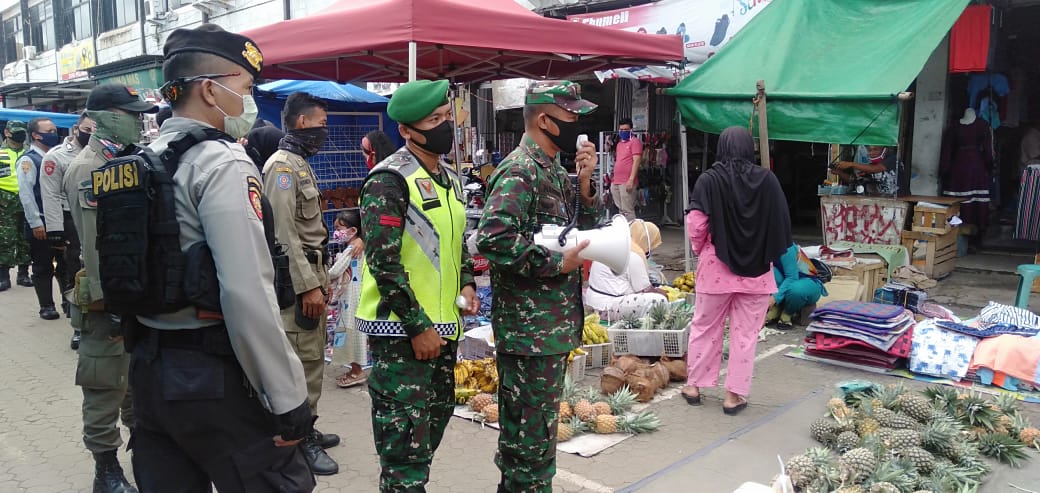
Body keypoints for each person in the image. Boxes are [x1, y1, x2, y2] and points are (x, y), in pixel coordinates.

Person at [129, 24, 315, 492]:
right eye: (246, 87)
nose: (248, 101)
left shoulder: (143, 159)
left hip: (148, 370)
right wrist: (289, 399)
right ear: (212, 90)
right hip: (213, 375)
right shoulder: (222, 163)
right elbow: (246, 292)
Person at [476, 80, 602, 493]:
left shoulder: (551, 168)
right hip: (528, 333)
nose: (579, 124)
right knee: (527, 446)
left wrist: (584, 184)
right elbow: (493, 238)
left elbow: (577, 230)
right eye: (572, 115)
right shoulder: (520, 170)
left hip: (547, 330)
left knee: (536, 438)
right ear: (545, 119)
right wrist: (553, 263)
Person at [356, 78, 478, 492]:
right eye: (435, 119)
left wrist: (468, 284)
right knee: (403, 453)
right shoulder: (388, 180)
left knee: (426, 441)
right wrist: (416, 325)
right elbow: (383, 263)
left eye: (447, 117)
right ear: (407, 131)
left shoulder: (448, 178)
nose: (446, 126)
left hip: (444, 331)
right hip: (403, 337)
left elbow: (455, 240)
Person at [64, 84, 150, 493]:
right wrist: (113, 301)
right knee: (104, 386)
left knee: (135, 381)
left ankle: (145, 452)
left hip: (131, 295)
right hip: (105, 302)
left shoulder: (127, 161)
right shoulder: (89, 169)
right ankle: (106, 470)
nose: (137, 119)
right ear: (107, 116)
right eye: (130, 113)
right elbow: (95, 242)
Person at [683, 126, 791, 415]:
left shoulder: (708, 179)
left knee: (705, 328)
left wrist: (702, 249)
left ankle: (694, 386)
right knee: (745, 335)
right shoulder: (768, 180)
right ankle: (734, 396)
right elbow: (781, 224)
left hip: (715, 269)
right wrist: (764, 251)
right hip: (756, 274)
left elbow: (696, 224)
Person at [262, 91, 340, 476]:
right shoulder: (282, 167)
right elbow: (283, 234)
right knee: (304, 358)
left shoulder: (298, 163)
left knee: (310, 354)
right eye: (322, 124)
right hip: (298, 280)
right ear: (303, 122)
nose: (325, 132)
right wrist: (307, 285)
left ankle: (306, 424)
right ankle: (299, 438)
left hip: (313, 273)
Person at [39, 113, 93, 328]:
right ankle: (76, 321)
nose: (90, 135)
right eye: (87, 130)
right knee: (74, 268)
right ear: (76, 128)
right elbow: (50, 194)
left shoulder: (104, 152)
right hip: (71, 218)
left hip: (98, 218)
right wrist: (55, 230)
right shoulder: (56, 157)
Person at [16, 117, 66, 320]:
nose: (54, 133)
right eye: (49, 130)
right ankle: (46, 306)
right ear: (35, 135)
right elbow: (26, 194)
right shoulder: (29, 160)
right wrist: (36, 222)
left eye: (54, 129)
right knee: (43, 265)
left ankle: (68, 302)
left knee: (66, 264)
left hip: (61, 220)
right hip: (42, 222)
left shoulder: (56, 156)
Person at [585, 220, 668, 320]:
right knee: (659, 301)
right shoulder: (633, 255)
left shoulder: (616, 245)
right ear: (646, 241)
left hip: (593, 301)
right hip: (607, 307)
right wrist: (662, 293)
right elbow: (645, 290)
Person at [329, 210, 367, 388]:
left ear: (353, 230)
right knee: (352, 333)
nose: (336, 232)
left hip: (352, 298)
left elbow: (335, 271)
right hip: (353, 296)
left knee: (351, 332)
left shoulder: (353, 249)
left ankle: (357, 371)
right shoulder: (357, 246)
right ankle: (355, 369)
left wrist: (322, 276)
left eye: (339, 228)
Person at [0, 120, 32, 290]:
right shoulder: (0, 153)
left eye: (22, 131)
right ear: (7, 132)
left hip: (26, 199)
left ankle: (24, 273)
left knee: (25, 238)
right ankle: (3, 275)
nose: (20, 134)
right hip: (5, 201)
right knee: (5, 238)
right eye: (16, 131)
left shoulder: (29, 153)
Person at [765, 244, 826, 330]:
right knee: (765, 272)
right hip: (784, 282)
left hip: (806, 281)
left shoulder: (786, 247)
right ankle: (777, 307)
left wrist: (774, 298)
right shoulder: (759, 246)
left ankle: (787, 312)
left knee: (796, 291)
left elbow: (791, 277)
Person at [833, 145, 897, 196]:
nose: (872, 153)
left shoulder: (892, 159)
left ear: (885, 150)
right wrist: (839, 173)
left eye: (875, 149)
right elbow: (853, 179)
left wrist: (851, 164)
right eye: (869, 150)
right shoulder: (870, 167)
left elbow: (876, 168)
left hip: (897, 200)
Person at [611, 117, 643, 221]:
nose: (623, 131)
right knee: (621, 210)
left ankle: (632, 233)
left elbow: (636, 161)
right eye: (621, 129)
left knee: (628, 210)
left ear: (631, 130)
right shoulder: (619, 144)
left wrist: (631, 179)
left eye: (626, 129)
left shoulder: (635, 142)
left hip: (627, 181)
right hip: (616, 181)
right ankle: (624, 233)